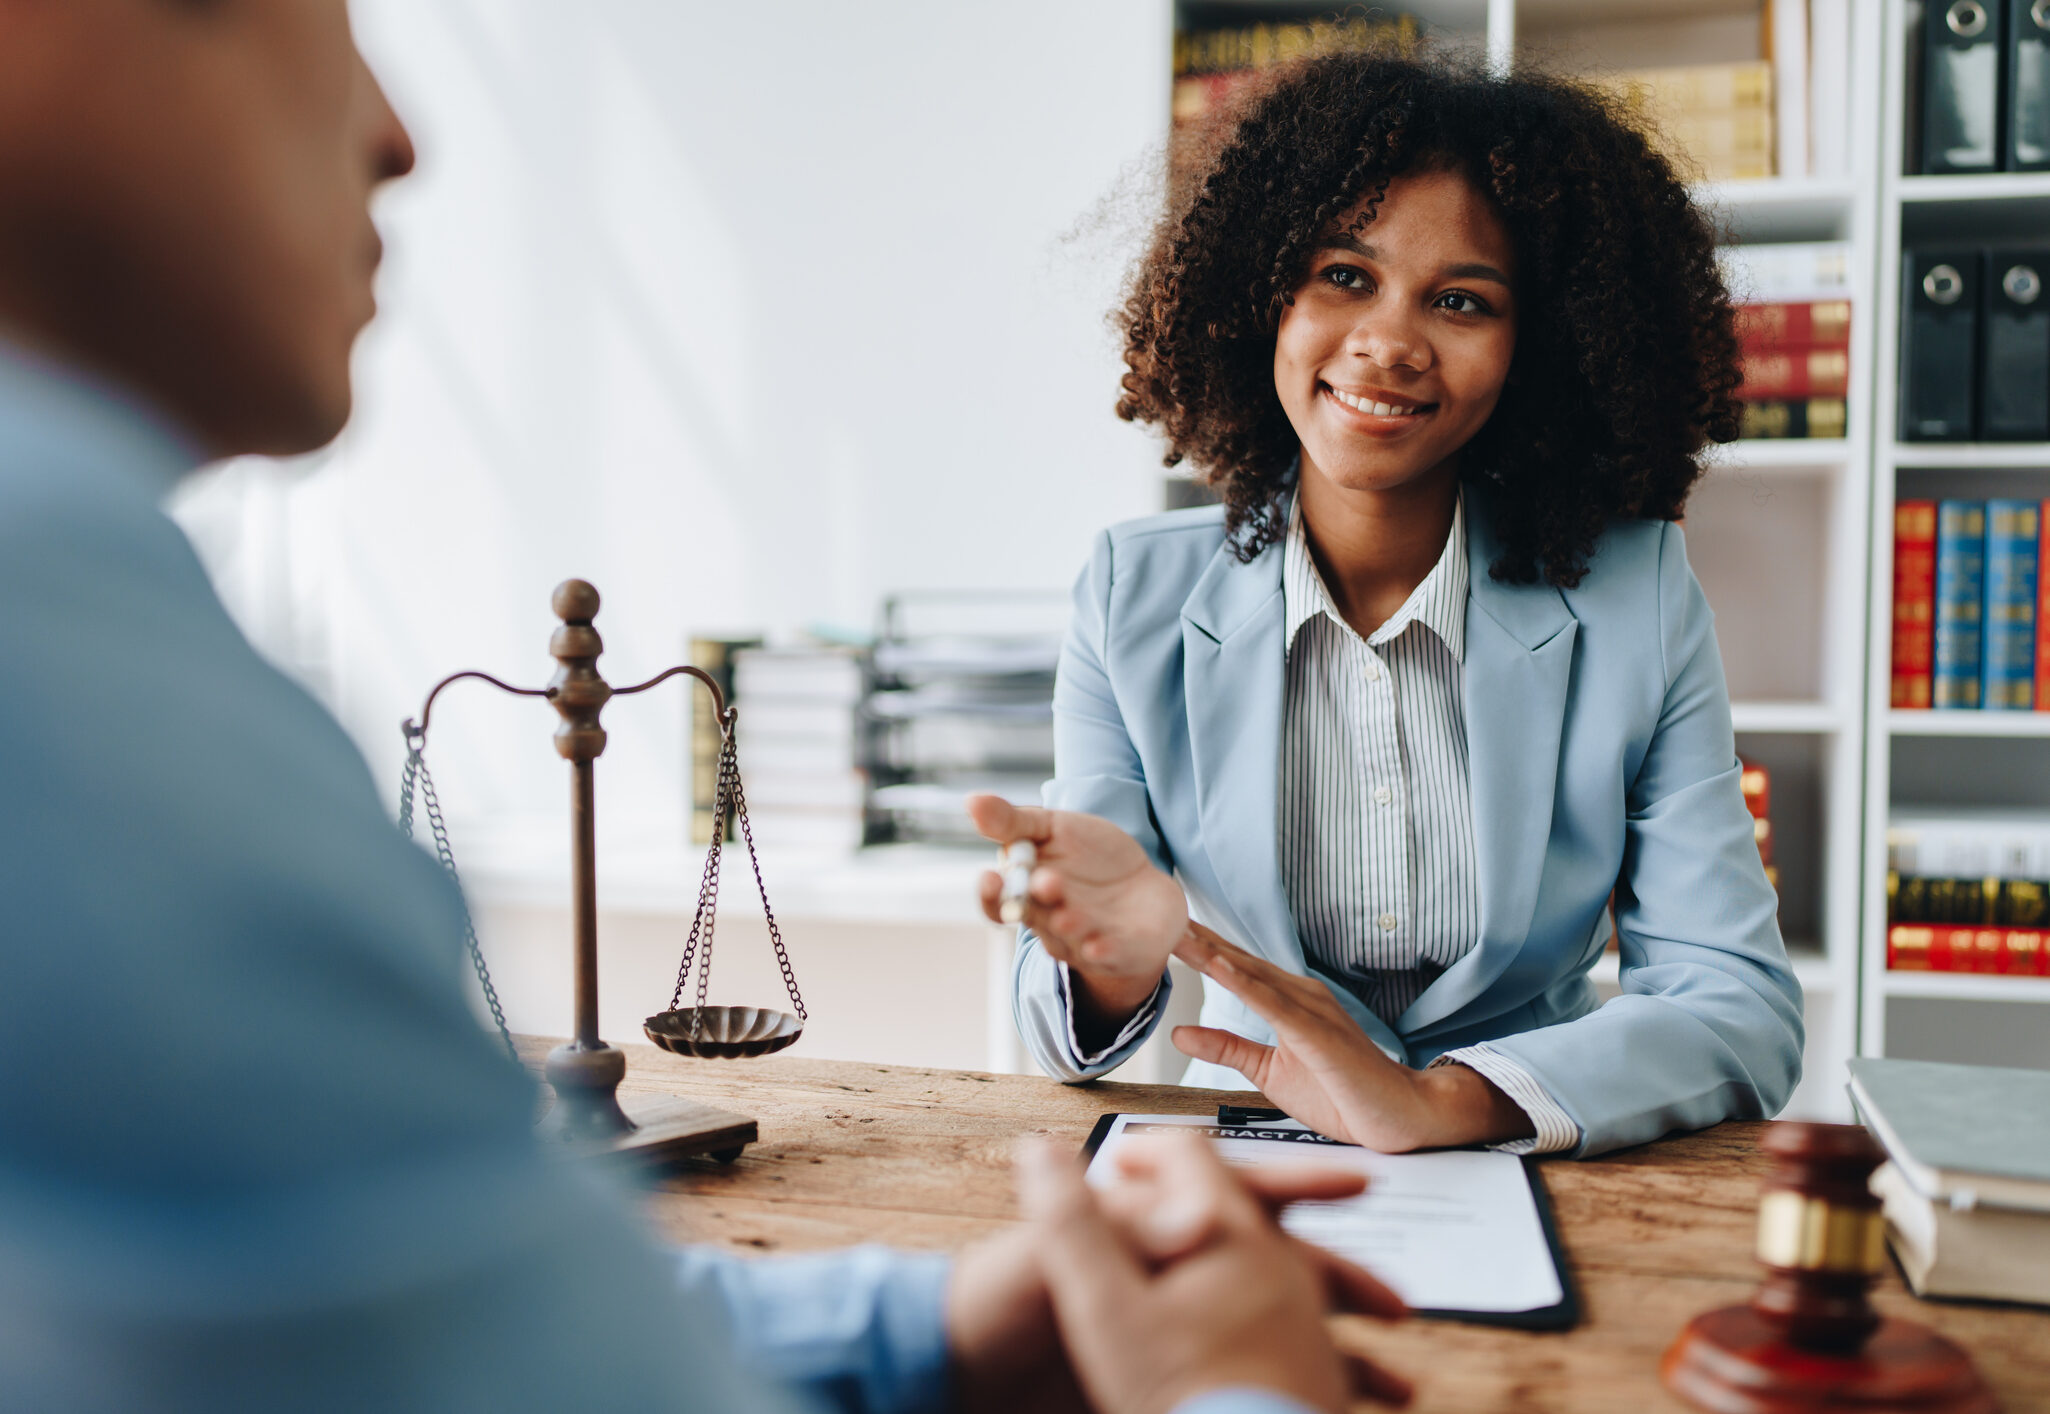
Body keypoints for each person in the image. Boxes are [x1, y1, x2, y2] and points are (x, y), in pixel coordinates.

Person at [0, 2, 1415, 1411]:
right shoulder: (66, 642)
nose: (399, 134)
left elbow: (420, 1307)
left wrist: (923, 1321)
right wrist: (1235, 1393)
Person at [975, 50, 1804, 1160]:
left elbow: (1737, 1005)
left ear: (1539, 348)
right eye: (1343, 276)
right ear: (1261, 291)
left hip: (1524, 1154)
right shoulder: (1136, 596)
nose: (1388, 343)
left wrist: (1446, 1103)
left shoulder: (1634, 597)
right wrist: (1108, 960)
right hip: (1241, 1152)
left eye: (1460, 301)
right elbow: (1054, 1022)